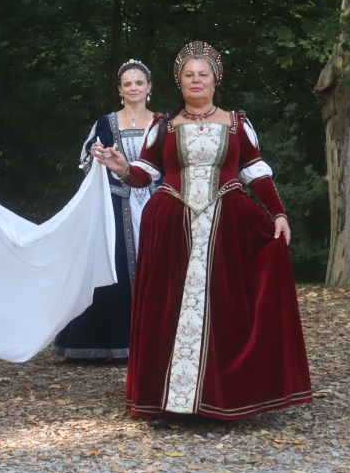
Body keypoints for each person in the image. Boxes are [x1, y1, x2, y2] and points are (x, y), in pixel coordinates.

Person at [93, 41, 312, 425]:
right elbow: (146, 174)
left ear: (216, 80)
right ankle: (168, 403)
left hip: (226, 226)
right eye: (189, 75)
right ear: (178, 82)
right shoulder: (163, 126)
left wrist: (278, 213)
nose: (196, 80)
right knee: (167, 312)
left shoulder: (236, 123)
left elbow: (255, 172)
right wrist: (121, 167)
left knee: (225, 310)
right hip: (171, 228)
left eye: (203, 74)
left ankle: (218, 400)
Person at [52, 60, 159, 361]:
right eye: (128, 84)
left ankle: (156, 342)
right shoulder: (106, 123)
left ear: (149, 87)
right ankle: (113, 342)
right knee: (115, 267)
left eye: (139, 83)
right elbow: (88, 161)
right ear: (120, 90)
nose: (134, 88)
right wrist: (96, 154)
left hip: (156, 202)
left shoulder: (163, 123)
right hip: (117, 204)